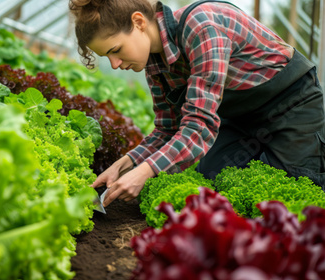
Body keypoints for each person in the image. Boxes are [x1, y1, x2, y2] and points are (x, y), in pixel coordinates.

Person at [69, 0, 325, 207]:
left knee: (297, 188)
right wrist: (125, 164)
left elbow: (199, 126)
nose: (115, 64)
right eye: (107, 56)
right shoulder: (154, 65)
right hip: (240, 116)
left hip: (292, 103)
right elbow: (167, 130)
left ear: (138, 22)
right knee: (212, 175)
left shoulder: (202, 27)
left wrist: (146, 172)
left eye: (115, 49)